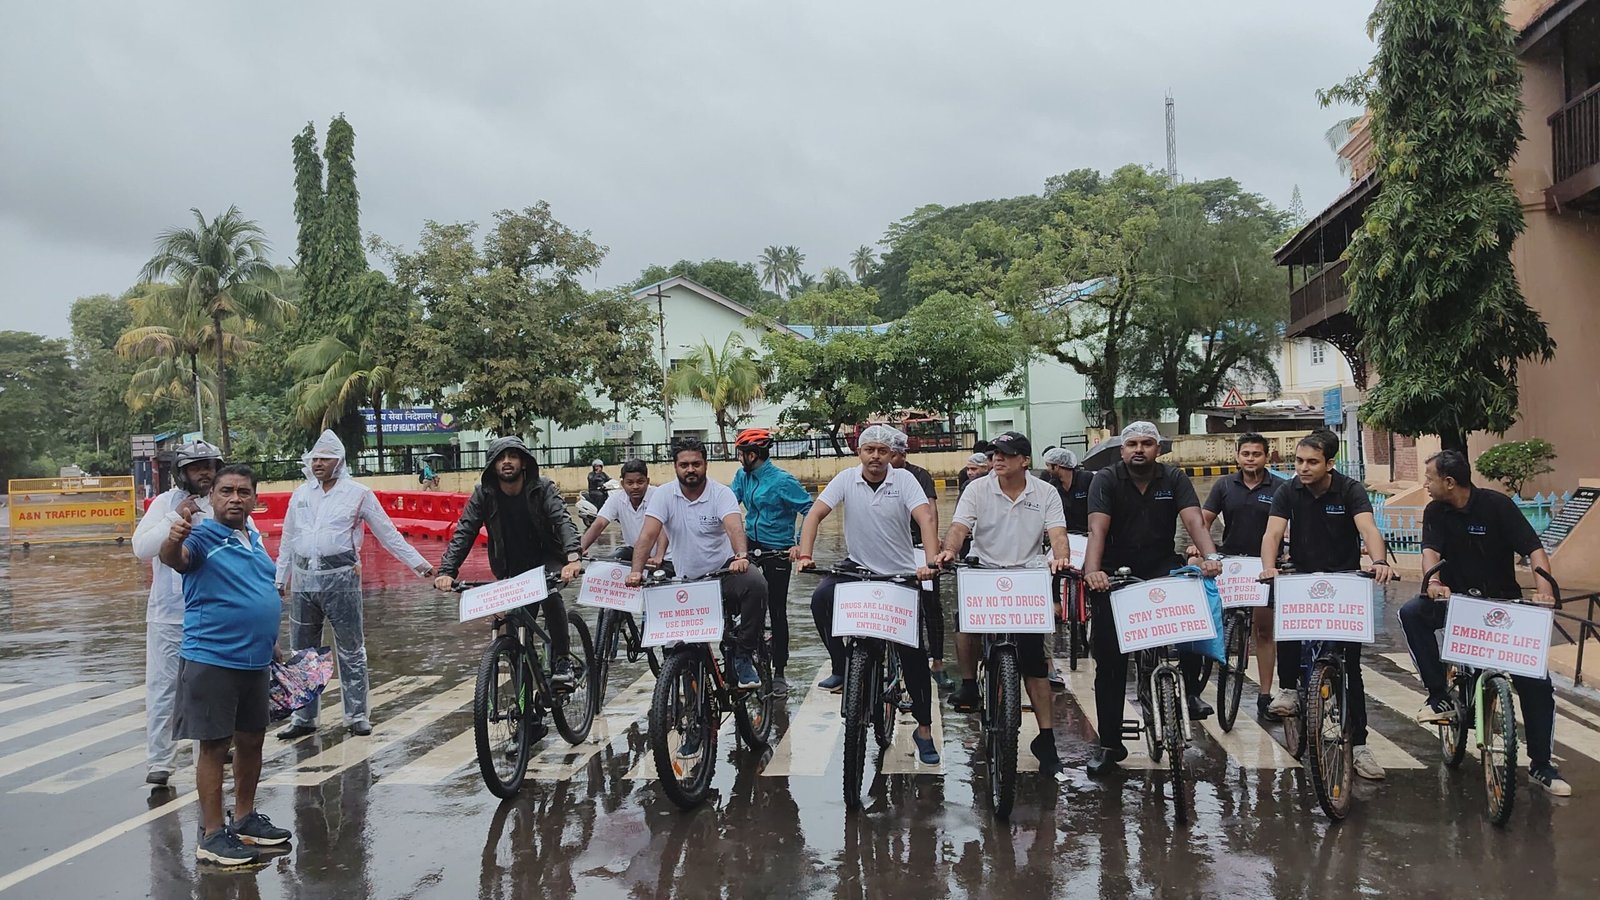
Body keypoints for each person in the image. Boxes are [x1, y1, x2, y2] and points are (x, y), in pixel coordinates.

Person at [1398, 450, 1571, 796]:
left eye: (1429, 478)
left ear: (1449, 482)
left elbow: (1534, 550)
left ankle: (1541, 764)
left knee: (1537, 684)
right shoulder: (1435, 511)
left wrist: (1543, 590)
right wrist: (1434, 584)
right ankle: (1438, 696)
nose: (1425, 485)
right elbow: (1430, 552)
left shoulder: (1498, 506)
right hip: (1455, 602)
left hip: (1503, 605)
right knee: (1411, 613)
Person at [158, 464, 293, 866]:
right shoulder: (201, 536)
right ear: (212, 498)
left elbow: (257, 590)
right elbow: (176, 559)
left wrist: (271, 641)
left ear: (254, 499)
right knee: (215, 746)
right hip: (212, 658)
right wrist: (173, 538)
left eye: (243, 492)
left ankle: (247, 818)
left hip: (255, 659)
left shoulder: (250, 537)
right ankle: (213, 835)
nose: (235, 498)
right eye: (226, 492)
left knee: (252, 739)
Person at [1081, 422, 1224, 776]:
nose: (1139, 449)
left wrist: (1211, 558)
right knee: (1111, 662)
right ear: (1122, 449)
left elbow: (1194, 521)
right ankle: (1110, 743)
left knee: (1194, 622)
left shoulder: (1173, 479)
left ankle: (1189, 692)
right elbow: (1097, 528)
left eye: (1147, 443)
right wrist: (1093, 571)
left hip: (1161, 565)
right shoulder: (1106, 480)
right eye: (1132, 444)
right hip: (1115, 574)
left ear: (1158, 449)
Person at [794, 425, 943, 763]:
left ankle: (923, 728)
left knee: (913, 653)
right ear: (859, 453)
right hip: (857, 566)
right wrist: (805, 554)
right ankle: (843, 664)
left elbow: (926, 518)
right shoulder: (846, 480)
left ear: (892, 454)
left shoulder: (904, 481)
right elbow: (815, 514)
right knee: (820, 598)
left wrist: (931, 562)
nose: (875, 456)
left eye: (881, 450)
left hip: (900, 572)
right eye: (868, 450)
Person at [275, 431, 435, 739]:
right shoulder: (301, 495)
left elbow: (388, 533)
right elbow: (288, 539)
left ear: (340, 461)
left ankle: (357, 714)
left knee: (351, 649)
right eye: (315, 458)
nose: (318, 463)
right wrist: (280, 578)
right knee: (303, 652)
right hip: (304, 580)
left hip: (342, 580)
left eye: (325, 458)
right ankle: (304, 718)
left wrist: (420, 565)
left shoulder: (358, 494)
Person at [933, 431, 1074, 775]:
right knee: (963, 620)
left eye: (1006, 454)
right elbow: (959, 527)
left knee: (1035, 662)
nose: (998, 459)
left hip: (1029, 575)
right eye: (995, 453)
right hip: (984, 569)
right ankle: (969, 684)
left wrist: (1061, 559)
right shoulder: (977, 489)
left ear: (1024, 461)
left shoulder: (1046, 493)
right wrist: (950, 550)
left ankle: (1045, 737)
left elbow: (1057, 534)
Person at [1258, 429, 1394, 781]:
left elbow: (1368, 529)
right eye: (1299, 461)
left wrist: (1378, 561)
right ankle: (1288, 689)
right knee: (1284, 616)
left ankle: (1360, 746)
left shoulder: (1350, 490)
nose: (1302, 468)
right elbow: (1272, 533)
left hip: (1345, 581)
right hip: (1301, 576)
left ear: (1329, 463)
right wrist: (1268, 567)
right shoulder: (1288, 491)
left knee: (1350, 668)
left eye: (1312, 462)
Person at [435, 435, 585, 749]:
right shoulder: (484, 494)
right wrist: (448, 571)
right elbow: (464, 530)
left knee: (550, 594)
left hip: (546, 558)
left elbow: (562, 520)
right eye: (501, 457)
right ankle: (529, 719)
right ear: (492, 464)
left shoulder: (541, 488)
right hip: (511, 567)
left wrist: (572, 557)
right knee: (516, 638)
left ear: (523, 462)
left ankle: (561, 661)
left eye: (513, 456)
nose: (507, 462)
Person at [625, 437, 767, 692]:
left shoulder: (721, 493)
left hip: (723, 573)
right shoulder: (664, 495)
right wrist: (636, 572)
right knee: (675, 643)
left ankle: (743, 654)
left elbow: (734, 527)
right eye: (684, 465)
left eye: (696, 464)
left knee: (756, 584)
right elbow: (647, 535)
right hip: (686, 581)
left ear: (705, 465)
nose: (690, 470)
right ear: (675, 466)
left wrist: (741, 557)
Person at [131, 440, 223, 787]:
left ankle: (211, 752)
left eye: (210, 465)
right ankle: (160, 761)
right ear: (182, 472)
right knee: (163, 689)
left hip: (213, 613)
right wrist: (175, 516)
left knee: (213, 690)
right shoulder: (164, 504)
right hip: (169, 616)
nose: (205, 472)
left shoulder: (222, 502)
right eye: (197, 467)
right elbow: (141, 548)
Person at [1195, 433, 1285, 715]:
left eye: (1256, 454)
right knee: (1217, 621)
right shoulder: (1224, 486)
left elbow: (1290, 525)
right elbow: (1203, 520)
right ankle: (1202, 682)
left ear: (1267, 457)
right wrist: (1196, 548)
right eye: (1245, 454)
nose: (1250, 459)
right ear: (1237, 456)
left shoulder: (1281, 488)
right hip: (1230, 563)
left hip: (1264, 564)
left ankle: (1265, 693)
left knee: (1263, 629)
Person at [730, 428, 814, 696]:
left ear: (752, 455)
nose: (738, 459)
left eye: (741, 454)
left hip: (778, 549)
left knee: (777, 609)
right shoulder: (742, 476)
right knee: (738, 597)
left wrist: (799, 545)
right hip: (751, 543)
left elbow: (810, 509)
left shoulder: (782, 481)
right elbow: (729, 506)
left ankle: (779, 671)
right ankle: (740, 651)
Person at [889, 431, 948, 688]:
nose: (886, 460)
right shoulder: (878, 477)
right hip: (892, 550)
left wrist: (931, 552)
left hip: (919, 547)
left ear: (902, 454)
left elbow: (930, 513)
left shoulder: (919, 475)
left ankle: (937, 660)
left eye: (891, 454)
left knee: (930, 605)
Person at [578, 457, 668, 561]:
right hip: (635, 554)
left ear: (647, 481)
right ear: (622, 484)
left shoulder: (658, 495)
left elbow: (663, 528)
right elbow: (599, 524)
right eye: (630, 483)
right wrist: (579, 550)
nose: (635, 487)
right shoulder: (616, 498)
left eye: (640, 482)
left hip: (664, 557)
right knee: (608, 563)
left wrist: (659, 556)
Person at [1041, 447, 1090, 533]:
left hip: (1087, 535)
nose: (1047, 469)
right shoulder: (1052, 486)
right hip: (1065, 535)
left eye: (1048, 465)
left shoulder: (1086, 479)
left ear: (1056, 466)